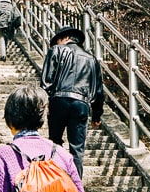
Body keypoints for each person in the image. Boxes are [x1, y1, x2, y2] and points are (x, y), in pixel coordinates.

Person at [41, 25, 105, 180]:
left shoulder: (56, 50)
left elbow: (46, 80)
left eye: (57, 40)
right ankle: (76, 188)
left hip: (59, 100)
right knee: (77, 149)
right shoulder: (91, 59)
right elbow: (98, 91)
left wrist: (45, 102)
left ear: (65, 38)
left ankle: (54, 181)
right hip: (81, 104)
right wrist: (96, 116)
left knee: (54, 142)